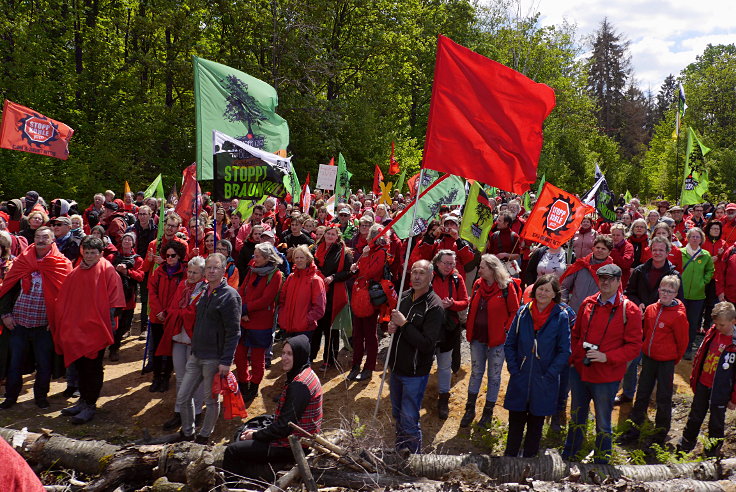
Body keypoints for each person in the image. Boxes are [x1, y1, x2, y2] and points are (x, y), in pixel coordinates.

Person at [562, 264, 642, 464]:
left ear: (618, 281)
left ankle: (602, 462)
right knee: (576, 418)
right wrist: (574, 359)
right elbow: (576, 334)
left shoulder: (628, 309)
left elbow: (634, 347)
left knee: (603, 422)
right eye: (602, 278)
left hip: (606, 376)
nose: (605, 282)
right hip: (580, 372)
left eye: (610, 279)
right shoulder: (588, 303)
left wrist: (607, 357)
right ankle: (570, 457)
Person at [222, 335, 322, 478]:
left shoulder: (299, 385)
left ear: (300, 355)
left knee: (232, 451)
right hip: (298, 436)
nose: (284, 358)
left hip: (294, 446)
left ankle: (232, 485)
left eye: (290, 354)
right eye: (283, 353)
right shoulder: (306, 373)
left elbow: (283, 428)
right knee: (253, 423)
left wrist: (255, 435)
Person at [53, 236, 125, 424]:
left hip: (96, 331)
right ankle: (83, 400)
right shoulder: (77, 272)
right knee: (80, 367)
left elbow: (115, 303)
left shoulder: (108, 270)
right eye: (87, 252)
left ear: (101, 253)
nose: (90, 256)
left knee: (92, 368)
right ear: (82, 252)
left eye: (94, 253)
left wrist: (106, 329)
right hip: (78, 330)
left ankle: (90, 404)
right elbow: (66, 299)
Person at [0, 227, 73, 410]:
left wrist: (56, 320)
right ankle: (10, 397)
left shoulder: (61, 263)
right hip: (18, 323)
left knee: (44, 364)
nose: (41, 240)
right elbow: (7, 288)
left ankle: (41, 397)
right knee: (14, 363)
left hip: (44, 325)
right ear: (33, 238)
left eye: (45, 237)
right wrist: (5, 314)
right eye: (38, 237)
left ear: (52, 241)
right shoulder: (22, 260)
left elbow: (66, 296)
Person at [176, 253, 242, 444]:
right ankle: (187, 432)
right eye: (209, 268)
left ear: (223, 270)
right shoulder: (204, 290)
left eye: (216, 268)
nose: (211, 271)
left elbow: (233, 332)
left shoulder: (230, 296)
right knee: (183, 396)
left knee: (210, 400)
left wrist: (226, 361)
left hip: (214, 358)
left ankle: (204, 435)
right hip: (196, 354)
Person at [503, 275, 571, 457]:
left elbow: (564, 350)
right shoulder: (523, 312)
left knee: (535, 427)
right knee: (515, 425)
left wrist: (550, 374)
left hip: (544, 381)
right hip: (521, 377)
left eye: (547, 290)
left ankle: (529, 467)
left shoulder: (561, 317)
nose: (542, 293)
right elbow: (509, 344)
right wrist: (514, 369)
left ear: (554, 294)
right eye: (540, 288)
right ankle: (509, 463)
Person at [620, 275, 688, 445]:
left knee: (663, 398)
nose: (665, 294)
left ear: (675, 294)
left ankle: (660, 434)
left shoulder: (678, 315)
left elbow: (683, 341)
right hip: (649, 358)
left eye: (670, 291)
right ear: (658, 290)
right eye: (663, 290)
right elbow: (647, 331)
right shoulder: (651, 309)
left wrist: (675, 358)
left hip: (666, 361)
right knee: (642, 393)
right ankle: (634, 428)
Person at [387, 260, 443, 454]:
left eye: (421, 273)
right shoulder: (403, 296)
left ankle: (414, 460)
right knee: (397, 415)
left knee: (409, 418)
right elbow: (398, 327)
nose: (417, 277)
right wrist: (393, 327)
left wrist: (404, 325)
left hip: (414, 372)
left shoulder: (434, 306)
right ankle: (400, 453)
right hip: (396, 368)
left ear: (430, 276)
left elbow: (427, 344)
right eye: (414, 273)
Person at [620, 236, 683, 401]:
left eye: (661, 250)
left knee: (651, 364)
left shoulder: (673, 274)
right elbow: (629, 292)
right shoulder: (640, 270)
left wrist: (659, 307)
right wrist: (638, 303)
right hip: (637, 321)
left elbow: (679, 301)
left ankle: (648, 398)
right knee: (632, 360)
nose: (657, 253)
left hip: (660, 325)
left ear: (668, 252)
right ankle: (627, 393)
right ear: (650, 250)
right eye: (654, 249)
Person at [461, 254, 520, 428]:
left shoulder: (506, 287)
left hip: (497, 340)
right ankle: (469, 410)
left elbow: (515, 311)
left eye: (482, 267)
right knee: (476, 372)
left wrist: (504, 330)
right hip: (478, 338)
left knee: (494, 376)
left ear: (493, 269)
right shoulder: (478, 284)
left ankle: (488, 412)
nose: (479, 270)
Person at [155, 256, 207, 431]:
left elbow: (195, 313)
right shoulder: (182, 285)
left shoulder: (206, 289)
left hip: (195, 338)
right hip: (179, 335)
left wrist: (178, 312)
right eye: (189, 271)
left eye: (195, 272)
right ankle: (179, 411)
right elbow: (173, 307)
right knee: (181, 376)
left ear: (203, 273)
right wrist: (173, 312)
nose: (191, 275)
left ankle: (197, 411)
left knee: (197, 378)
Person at [678, 302, 736, 456]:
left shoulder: (734, 343)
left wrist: (734, 399)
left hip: (721, 391)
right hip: (703, 383)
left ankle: (712, 452)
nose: (718, 327)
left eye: (722, 325)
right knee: (695, 415)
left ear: (733, 322)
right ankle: (685, 445)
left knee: (716, 422)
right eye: (716, 324)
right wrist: (694, 378)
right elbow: (700, 355)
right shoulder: (712, 332)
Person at [236, 243, 283, 404]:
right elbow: (242, 289)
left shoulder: (276, 274)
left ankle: (253, 387)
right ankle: (243, 383)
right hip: (244, 318)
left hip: (260, 322)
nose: (253, 258)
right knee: (240, 354)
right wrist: (242, 311)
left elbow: (266, 300)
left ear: (267, 258)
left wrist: (245, 309)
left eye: (257, 256)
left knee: (257, 358)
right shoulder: (252, 270)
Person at [348, 225, 389, 381]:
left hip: (370, 297)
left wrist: (363, 258)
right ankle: (355, 365)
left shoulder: (381, 253)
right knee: (357, 333)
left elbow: (371, 272)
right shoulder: (368, 251)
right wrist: (354, 269)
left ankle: (369, 367)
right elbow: (360, 273)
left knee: (370, 334)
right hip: (359, 294)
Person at [430, 250, 468, 420]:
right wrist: (437, 306)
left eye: (452, 264)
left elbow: (465, 301)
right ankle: (418, 396)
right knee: (424, 361)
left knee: (445, 364)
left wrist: (453, 304)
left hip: (449, 327)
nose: (448, 267)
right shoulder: (428, 275)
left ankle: (443, 399)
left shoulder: (457, 279)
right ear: (437, 263)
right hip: (428, 326)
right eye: (446, 263)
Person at [147, 241, 188, 392]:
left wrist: (169, 312)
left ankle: (166, 377)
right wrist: (158, 311)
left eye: (173, 256)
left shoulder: (184, 273)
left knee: (171, 350)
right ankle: (156, 377)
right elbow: (152, 292)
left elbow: (182, 295)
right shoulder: (158, 272)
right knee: (157, 349)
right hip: (158, 317)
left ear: (179, 256)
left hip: (173, 318)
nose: (169, 258)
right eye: (167, 255)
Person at [311, 226, 353, 369]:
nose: (329, 236)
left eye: (332, 234)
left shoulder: (344, 252)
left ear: (337, 237)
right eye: (328, 233)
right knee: (316, 326)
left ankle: (329, 359)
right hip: (317, 290)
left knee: (330, 328)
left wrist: (333, 277)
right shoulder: (316, 248)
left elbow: (348, 272)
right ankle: (311, 355)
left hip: (333, 292)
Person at [108, 232, 144, 361]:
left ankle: (115, 346)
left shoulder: (138, 259)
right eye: (125, 239)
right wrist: (115, 269)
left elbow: (140, 276)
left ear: (133, 243)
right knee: (113, 324)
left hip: (129, 296)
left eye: (129, 240)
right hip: (113, 296)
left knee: (124, 324)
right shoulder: (112, 257)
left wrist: (127, 272)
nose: (127, 242)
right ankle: (112, 348)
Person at [278, 245, 326, 341]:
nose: (299, 260)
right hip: (288, 326)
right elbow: (282, 299)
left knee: (301, 355)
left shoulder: (315, 280)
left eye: (301, 257)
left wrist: (306, 320)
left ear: (307, 259)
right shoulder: (291, 277)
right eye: (296, 258)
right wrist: (282, 316)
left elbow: (319, 308)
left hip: (305, 329)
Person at [681, 227, 715, 359]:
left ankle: (688, 348)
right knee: (679, 321)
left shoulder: (705, 255)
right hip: (681, 294)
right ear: (688, 238)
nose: (695, 239)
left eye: (697, 237)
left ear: (701, 239)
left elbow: (710, 271)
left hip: (698, 295)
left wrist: (703, 282)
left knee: (693, 322)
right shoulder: (680, 252)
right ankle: (677, 346)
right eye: (692, 236)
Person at [560, 235, 614, 313]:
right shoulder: (580, 264)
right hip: (573, 311)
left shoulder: (612, 272)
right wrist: (563, 305)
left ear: (609, 252)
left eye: (603, 249)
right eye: (597, 247)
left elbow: (613, 295)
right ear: (593, 248)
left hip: (595, 314)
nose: (599, 250)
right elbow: (564, 286)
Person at [609, 223, 634, 288]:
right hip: (608, 277)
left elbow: (625, 264)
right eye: (613, 235)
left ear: (623, 236)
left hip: (622, 279)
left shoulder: (628, 246)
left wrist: (613, 251)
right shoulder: (608, 245)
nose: (615, 237)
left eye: (618, 235)